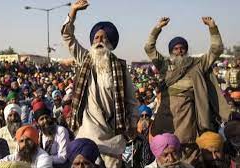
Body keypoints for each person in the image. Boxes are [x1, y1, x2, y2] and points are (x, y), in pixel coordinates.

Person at [62, 0, 138, 166]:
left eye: (103, 38)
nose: (99, 40)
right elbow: (68, 37)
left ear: (110, 43)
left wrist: (132, 124)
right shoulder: (85, 60)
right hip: (88, 134)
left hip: (113, 137)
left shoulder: (120, 68)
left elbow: (131, 100)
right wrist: (73, 11)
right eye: (96, 37)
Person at [145, 16, 231, 162]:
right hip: (166, 116)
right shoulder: (165, 66)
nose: (179, 51)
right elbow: (149, 48)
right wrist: (157, 28)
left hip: (188, 117)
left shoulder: (197, 64)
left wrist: (212, 27)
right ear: (171, 52)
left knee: (188, 153)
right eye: (176, 49)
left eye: (182, 48)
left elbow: (216, 50)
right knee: (167, 153)